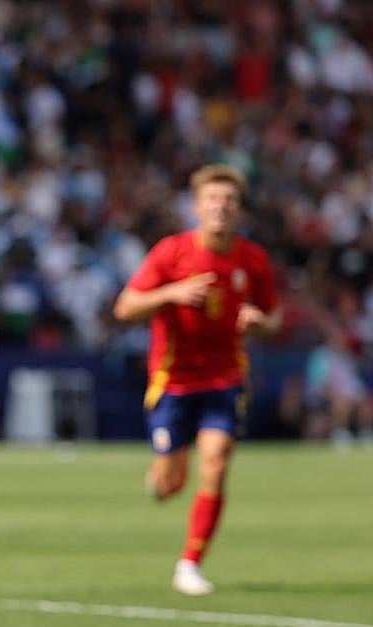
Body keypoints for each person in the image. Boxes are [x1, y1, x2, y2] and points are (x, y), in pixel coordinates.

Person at [113, 164, 281, 595]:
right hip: (173, 379)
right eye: (212, 199)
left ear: (238, 209)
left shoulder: (252, 258)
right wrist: (171, 293)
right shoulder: (172, 252)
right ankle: (163, 476)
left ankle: (189, 563)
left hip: (224, 378)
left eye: (228, 200)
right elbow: (125, 307)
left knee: (218, 459)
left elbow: (274, 317)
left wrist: (259, 322)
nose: (220, 207)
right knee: (171, 483)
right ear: (197, 206)